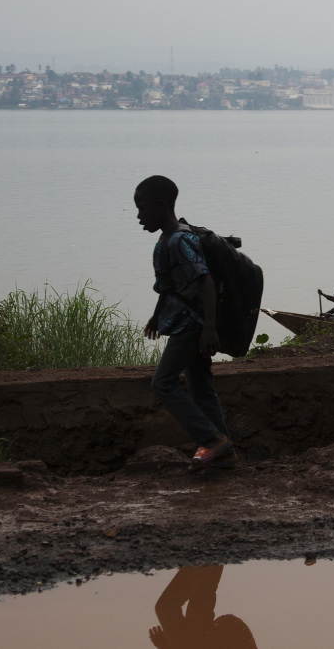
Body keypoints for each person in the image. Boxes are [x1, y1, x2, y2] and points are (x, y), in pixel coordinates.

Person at [135, 175, 236, 471]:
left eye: (142, 208)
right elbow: (172, 286)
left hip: (192, 326)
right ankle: (224, 453)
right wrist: (156, 315)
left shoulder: (180, 239)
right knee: (201, 386)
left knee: (163, 382)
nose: (139, 216)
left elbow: (205, 281)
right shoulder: (167, 238)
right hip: (185, 322)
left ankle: (211, 440)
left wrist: (209, 329)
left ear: (161, 204)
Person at [149, 565, 257, 649]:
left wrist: (167, 645)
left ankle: (213, 558)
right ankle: (202, 563)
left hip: (233, 634)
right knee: (166, 608)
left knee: (197, 620)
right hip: (232, 637)